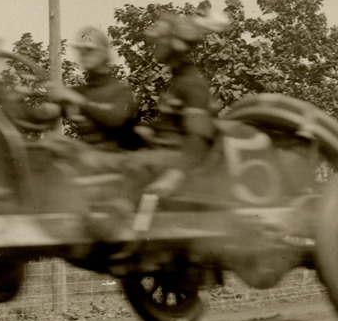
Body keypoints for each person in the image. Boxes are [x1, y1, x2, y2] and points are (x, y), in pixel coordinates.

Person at [139, 11, 227, 196]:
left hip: (169, 164)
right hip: (158, 157)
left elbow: (199, 137)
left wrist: (174, 175)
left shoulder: (191, 84)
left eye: (160, 39)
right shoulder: (177, 81)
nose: (154, 45)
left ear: (175, 44)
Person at [47, 26, 144, 152]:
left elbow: (116, 119)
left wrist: (79, 101)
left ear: (104, 53)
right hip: (87, 156)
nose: (84, 54)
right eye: (80, 50)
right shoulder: (78, 91)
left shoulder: (121, 90)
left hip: (118, 157)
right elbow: (42, 116)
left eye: (89, 50)